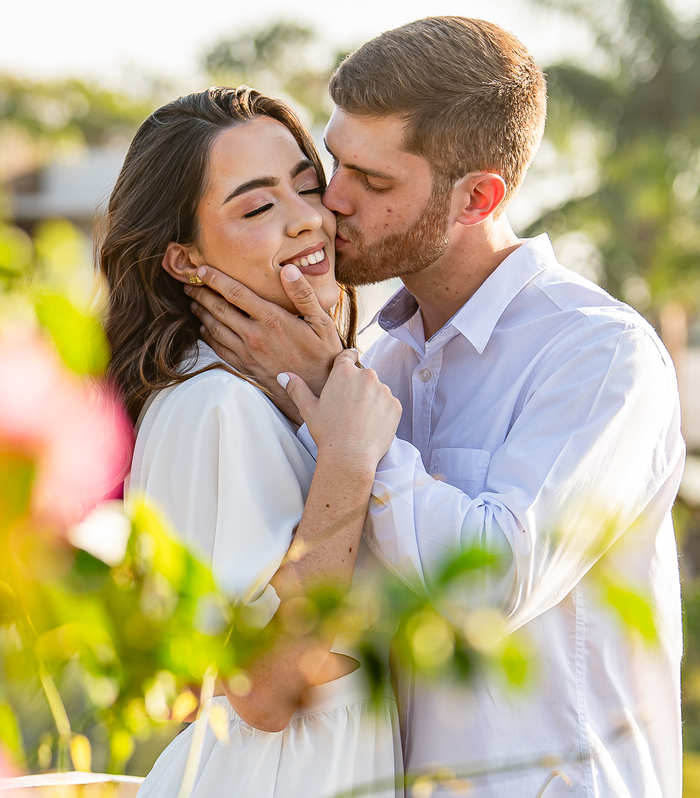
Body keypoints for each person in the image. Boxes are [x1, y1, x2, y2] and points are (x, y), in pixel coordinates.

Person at [187, 17, 685, 798]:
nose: (331, 206)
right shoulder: (379, 363)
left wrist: (351, 420)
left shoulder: (597, 358)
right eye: (335, 165)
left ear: (478, 196)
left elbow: (490, 588)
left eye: (375, 183)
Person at [100, 86, 403, 798]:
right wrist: (349, 461)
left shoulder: (260, 397)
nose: (307, 223)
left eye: (308, 187)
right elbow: (266, 688)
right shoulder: (217, 405)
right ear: (181, 259)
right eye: (259, 207)